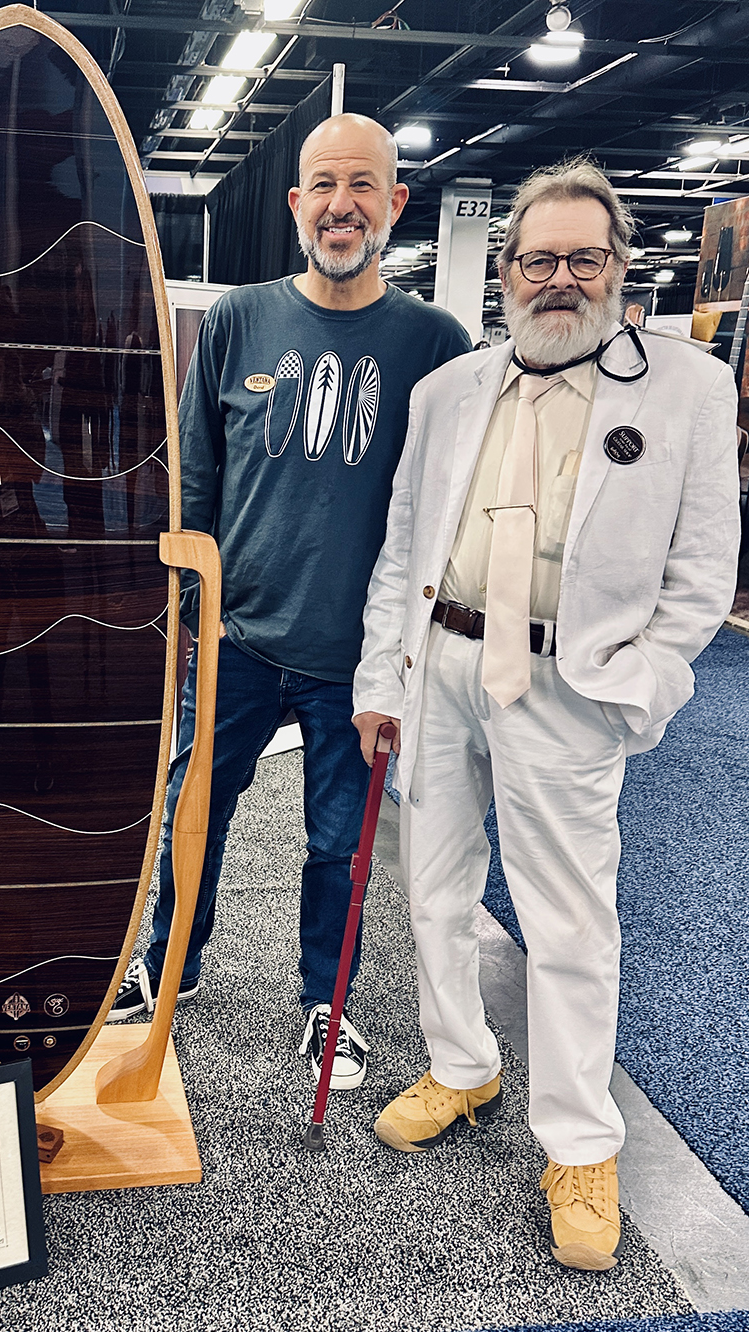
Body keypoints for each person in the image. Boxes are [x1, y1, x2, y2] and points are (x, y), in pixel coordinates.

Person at [353, 159, 739, 1269]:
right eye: (538, 258)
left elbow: (705, 570)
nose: (559, 279)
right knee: (431, 888)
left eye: (585, 257)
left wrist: (648, 684)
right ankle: (461, 1066)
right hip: (444, 664)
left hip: (571, 685)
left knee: (568, 919)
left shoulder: (688, 389)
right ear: (507, 270)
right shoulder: (449, 393)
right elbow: (401, 553)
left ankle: (579, 1142)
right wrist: (382, 680)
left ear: (620, 267)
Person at [105, 113, 471, 1094]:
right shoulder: (237, 320)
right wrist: (186, 615)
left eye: (364, 185)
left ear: (395, 204)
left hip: (360, 656)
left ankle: (328, 1001)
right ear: (296, 202)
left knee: (336, 843)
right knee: (193, 807)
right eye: (323, 185)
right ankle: (165, 963)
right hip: (235, 639)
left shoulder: (437, 343)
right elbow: (195, 483)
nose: (341, 204)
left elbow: (447, 505)